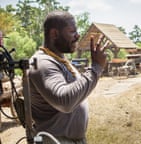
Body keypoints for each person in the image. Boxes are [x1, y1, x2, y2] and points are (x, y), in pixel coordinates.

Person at [29, 10, 108, 144]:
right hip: (54, 140)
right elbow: (65, 102)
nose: (77, 36)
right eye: (72, 31)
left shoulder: (60, 61)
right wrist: (96, 68)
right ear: (54, 34)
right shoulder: (42, 63)